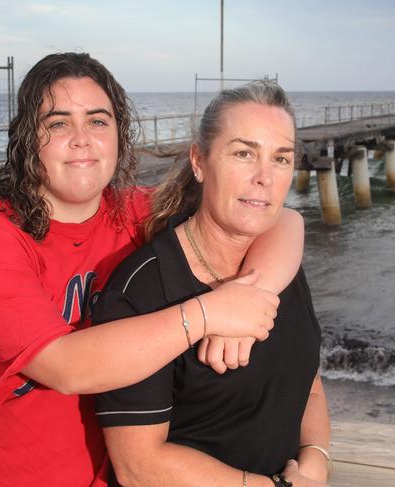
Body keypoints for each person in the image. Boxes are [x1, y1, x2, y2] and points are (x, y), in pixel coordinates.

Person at [0, 53, 304, 487]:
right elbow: (67, 368)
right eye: (57, 123)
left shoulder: (134, 212)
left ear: (118, 133)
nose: (81, 140)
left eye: (97, 121)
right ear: (27, 140)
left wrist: (248, 302)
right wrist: (210, 313)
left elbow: (278, 218)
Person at [94, 81, 331, 487]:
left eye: (281, 159)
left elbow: (305, 386)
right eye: (244, 153)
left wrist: (315, 461)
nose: (264, 178)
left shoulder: (278, 265)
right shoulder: (143, 289)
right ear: (199, 162)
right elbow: (139, 467)